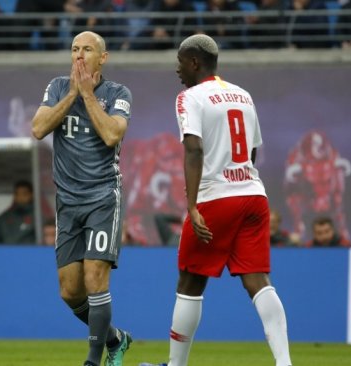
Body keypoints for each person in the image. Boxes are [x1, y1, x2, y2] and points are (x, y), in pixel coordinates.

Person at [161, 34, 292, 366]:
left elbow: (194, 149)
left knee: (190, 279)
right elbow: (252, 151)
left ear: (194, 62)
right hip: (253, 195)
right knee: (258, 280)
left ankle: (176, 365)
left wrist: (192, 206)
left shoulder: (189, 97)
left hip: (215, 199)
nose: (177, 69)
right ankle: (284, 362)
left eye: (180, 61)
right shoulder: (243, 95)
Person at [31, 31, 133, 366]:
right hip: (68, 201)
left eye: (87, 49)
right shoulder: (59, 86)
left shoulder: (118, 93)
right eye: (75, 49)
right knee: (70, 290)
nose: (79, 55)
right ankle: (115, 339)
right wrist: (73, 93)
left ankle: (93, 360)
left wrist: (87, 96)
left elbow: (111, 134)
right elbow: (38, 128)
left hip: (103, 196)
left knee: (94, 278)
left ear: (102, 58)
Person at [0, 180, 36, 244]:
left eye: (24, 194)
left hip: (31, 253)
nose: (21, 197)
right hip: (5, 253)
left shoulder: (39, 216)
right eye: (17, 194)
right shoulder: (4, 218)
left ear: (31, 195)